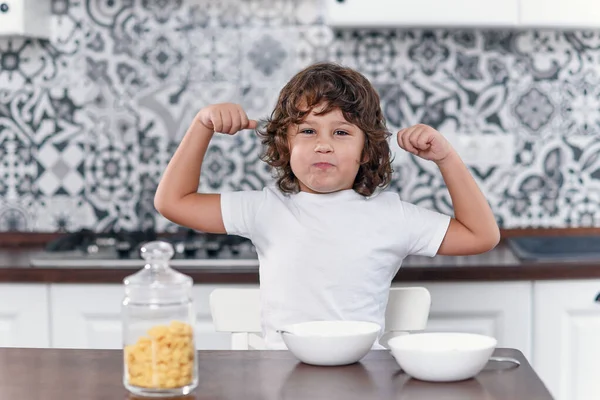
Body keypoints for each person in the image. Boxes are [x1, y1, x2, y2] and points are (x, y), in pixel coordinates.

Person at [154, 62, 500, 349]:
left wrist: (446, 158)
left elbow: (480, 235)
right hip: (280, 377)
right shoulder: (266, 209)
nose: (323, 145)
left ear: (366, 150)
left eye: (341, 132)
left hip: (365, 377)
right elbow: (173, 202)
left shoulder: (392, 216)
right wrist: (201, 126)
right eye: (307, 131)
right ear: (285, 145)